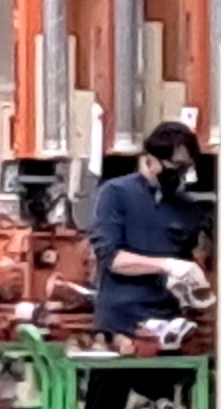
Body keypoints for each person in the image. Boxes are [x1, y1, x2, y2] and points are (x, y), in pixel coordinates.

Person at [87, 122, 213, 333]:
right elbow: (113, 259)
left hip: (169, 320)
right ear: (150, 159)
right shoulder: (115, 194)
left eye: (186, 167)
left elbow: (185, 260)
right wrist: (167, 265)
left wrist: (190, 289)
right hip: (122, 322)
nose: (180, 173)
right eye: (176, 165)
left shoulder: (186, 207)